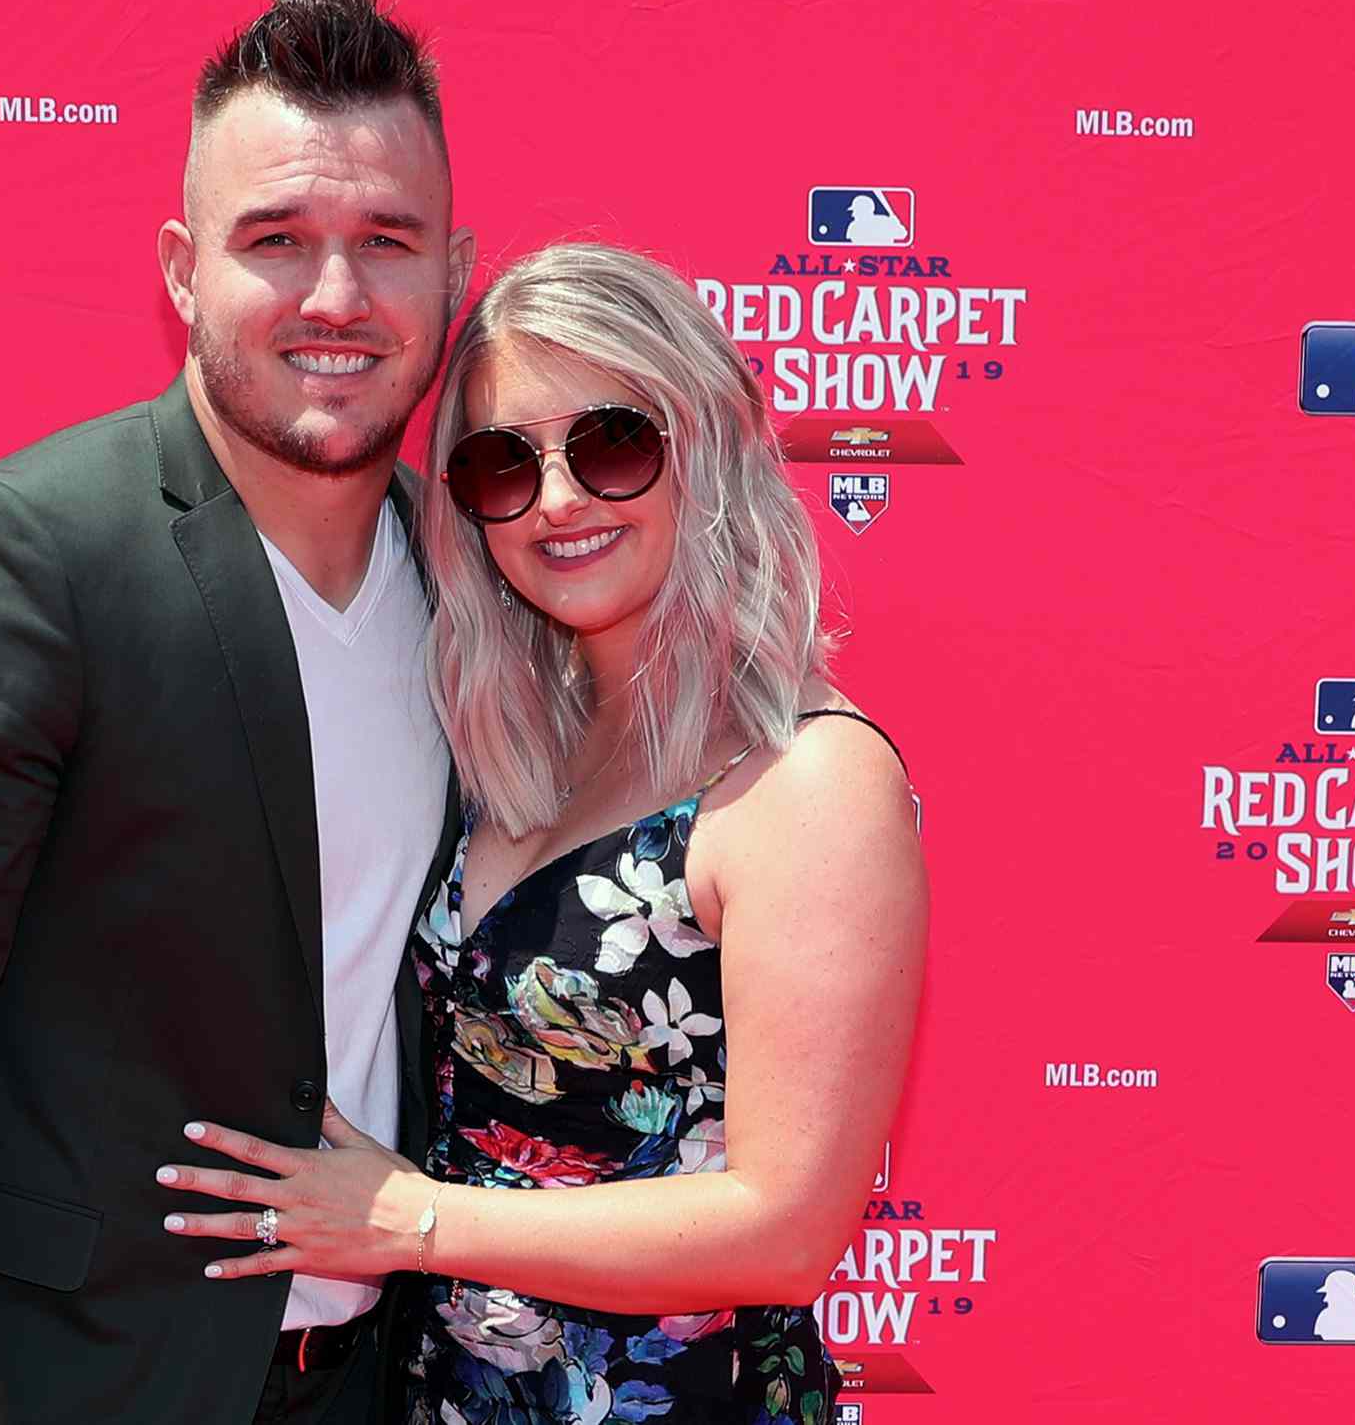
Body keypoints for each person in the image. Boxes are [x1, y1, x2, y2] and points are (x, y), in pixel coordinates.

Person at [0, 0, 474, 1425]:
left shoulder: (479, 586)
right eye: (275, 240)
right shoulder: (17, 556)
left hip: (383, 1388)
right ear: (179, 268)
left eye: (386, 243)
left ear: (453, 272)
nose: (335, 298)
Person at [159, 244, 928, 1424]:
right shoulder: (520, 749)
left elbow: (782, 1228)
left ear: (705, 447)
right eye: (500, 463)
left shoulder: (807, 780)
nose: (558, 499)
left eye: (610, 444)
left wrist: (406, 1218)